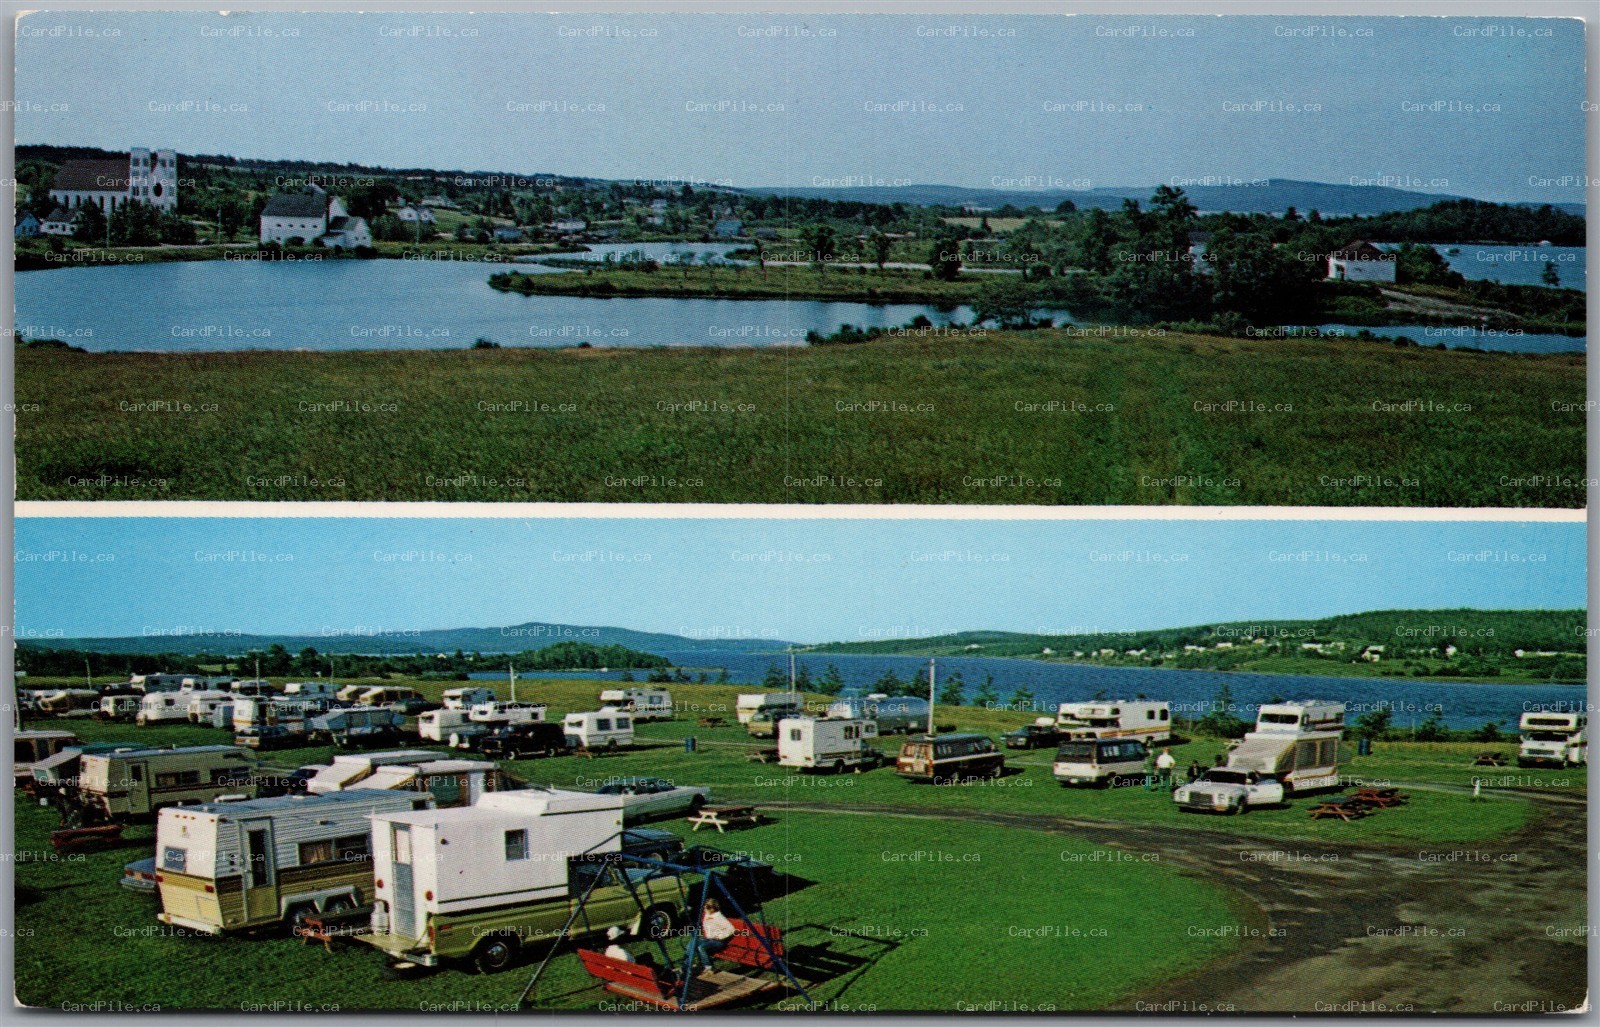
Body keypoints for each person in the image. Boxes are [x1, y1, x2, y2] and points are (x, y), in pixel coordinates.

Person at [690, 898, 737, 966]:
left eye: (707, 907)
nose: (704, 909)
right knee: (694, 944)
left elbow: (731, 929)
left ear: (712, 908)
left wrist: (720, 936)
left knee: (701, 947)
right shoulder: (708, 915)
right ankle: (701, 964)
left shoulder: (719, 917)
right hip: (709, 940)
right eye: (704, 906)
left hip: (719, 942)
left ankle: (709, 967)